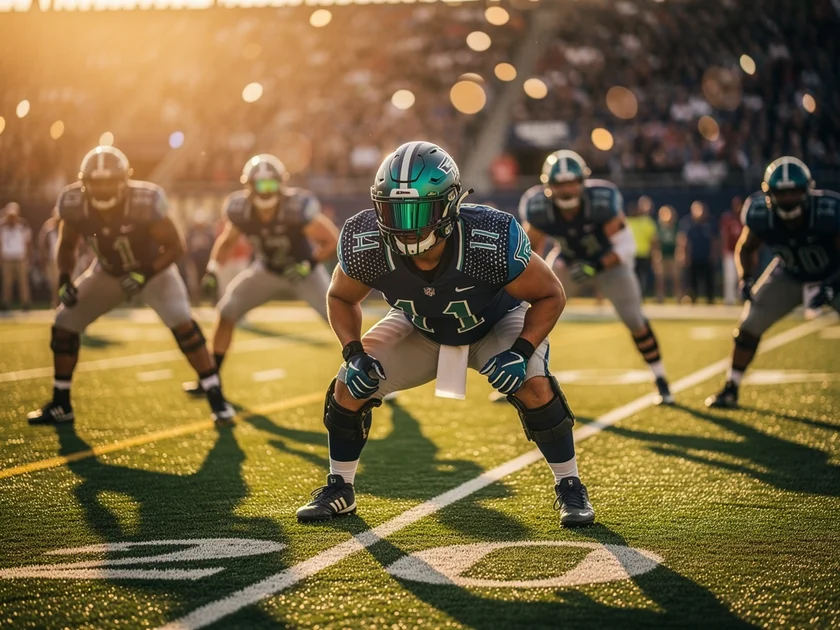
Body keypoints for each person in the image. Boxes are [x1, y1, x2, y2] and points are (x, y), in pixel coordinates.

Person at [295, 141, 594, 528]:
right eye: (394, 210)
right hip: (420, 326)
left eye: (418, 210)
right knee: (348, 385)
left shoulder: (489, 236)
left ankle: (569, 485)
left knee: (535, 386)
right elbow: (339, 296)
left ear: (450, 206)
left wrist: (521, 350)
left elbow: (550, 294)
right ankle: (340, 487)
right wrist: (353, 352)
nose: (406, 224)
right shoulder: (366, 239)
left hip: (493, 321)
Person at [26, 146, 234, 426]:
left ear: (124, 180)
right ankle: (61, 404)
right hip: (108, 271)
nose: (102, 189)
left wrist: (144, 272)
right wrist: (64, 278)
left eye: (109, 182)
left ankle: (216, 397)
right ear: (85, 183)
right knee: (64, 323)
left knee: (184, 325)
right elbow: (67, 245)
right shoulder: (74, 201)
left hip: (154, 271)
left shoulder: (145, 200)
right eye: (96, 183)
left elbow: (175, 246)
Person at [519, 150, 674, 405]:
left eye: (571, 183)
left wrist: (596, 264)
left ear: (582, 183)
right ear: (549, 186)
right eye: (560, 184)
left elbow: (626, 246)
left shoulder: (602, 201)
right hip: (568, 264)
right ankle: (520, 380)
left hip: (610, 264)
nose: (567, 190)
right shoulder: (538, 208)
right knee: (526, 314)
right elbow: (529, 251)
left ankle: (661, 379)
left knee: (635, 319)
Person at [182, 154, 338, 394]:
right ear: (249, 186)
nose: (266, 191)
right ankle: (210, 379)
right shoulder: (241, 209)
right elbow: (227, 241)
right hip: (266, 270)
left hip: (302, 271)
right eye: (260, 185)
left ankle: (376, 376)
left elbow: (331, 240)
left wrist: (308, 264)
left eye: (271, 184)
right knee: (226, 312)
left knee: (339, 318)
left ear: (280, 184)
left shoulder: (296, 207)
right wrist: (213, 270)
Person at [706, 157, 840, 408]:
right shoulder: (759, 214)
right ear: (769, 194)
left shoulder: (829, 211)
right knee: (748, 326)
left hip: (833, 274)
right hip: (789, 273)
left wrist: (833, 284)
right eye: (781, 193)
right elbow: (745, 248)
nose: (788, 199)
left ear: (807, 191)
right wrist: (746, 278)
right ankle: (731, 387)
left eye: (793, 192)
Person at [677, 201, 717, 304]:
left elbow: (714, 240)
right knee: (691, 281)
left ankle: (710, 299)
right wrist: (684, 255)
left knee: (709, 280)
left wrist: (714, 254)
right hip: (693, 257)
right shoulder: (687, 222)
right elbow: (683, 240)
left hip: (706, 256)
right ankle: (692, 299)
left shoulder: (710, 222)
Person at [0, 203, 33, 310]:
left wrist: (29, 256)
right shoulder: (2, 226)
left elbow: (28, 243)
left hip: (20, 257)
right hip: (7, 258)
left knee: (23, 282)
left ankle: (25, 303)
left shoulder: (23, 226)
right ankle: (6, 303)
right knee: (7, 282)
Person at [626, 195, 658, 297]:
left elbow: (653, 240)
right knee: (631, 277)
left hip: (644, 254)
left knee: (641, 277)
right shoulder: (628, 222)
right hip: (632, 255)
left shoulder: (648, 222)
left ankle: (640, 296)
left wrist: (654, 255)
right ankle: (632, 295)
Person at [654, 205, 681, 302]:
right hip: (662, 255)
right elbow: (655, 241)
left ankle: (677, 295)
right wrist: (656, 254)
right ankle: (660, 295)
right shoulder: (658, 226)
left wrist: (679, 252)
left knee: (676, 277)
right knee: (660, 277)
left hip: (673, 255)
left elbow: (679, 240)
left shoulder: (676, 226)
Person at [719, 196, 744, 305]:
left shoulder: (744, 218)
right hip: (730, 251)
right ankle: (729, 298)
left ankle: (741, 296)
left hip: (741, 251)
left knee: (741, 276)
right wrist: (724, 249)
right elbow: (724, 235)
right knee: (730, 276)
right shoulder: (728, 218)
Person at [39, 208, 61, 307]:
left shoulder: (67, 227)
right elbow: (42, 244)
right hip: (53, 259)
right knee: (55, 283)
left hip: (65, 259)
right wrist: (44, 257)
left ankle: (65, 302)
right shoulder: (49, 230)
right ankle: (55, 302)